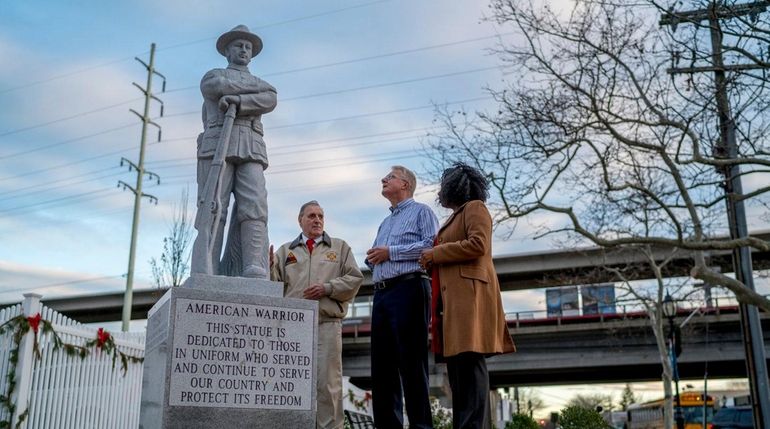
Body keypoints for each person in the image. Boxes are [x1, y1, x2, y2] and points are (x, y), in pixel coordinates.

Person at [418, 163, 515, 429]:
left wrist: (435, 254)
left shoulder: (475, 208)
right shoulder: (456, 216)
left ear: (455, 186)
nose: (441, 190)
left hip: (470, 302)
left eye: (444, 185)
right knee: (459, 375)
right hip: (453, 304)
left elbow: (478, 244)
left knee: (471, 368)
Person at [191, 24, 277, 278]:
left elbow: (271, 97)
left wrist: (239, 101)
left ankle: (253, 264)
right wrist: (252, 95)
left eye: (247, 47)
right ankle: (207, 265)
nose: (243, 50)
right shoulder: (214, 75)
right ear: (227, 52)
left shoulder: (263, 85)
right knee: (214, 206)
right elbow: (215, 87)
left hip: (251, 145)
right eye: (238, 46)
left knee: (255, 206)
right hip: (219, 143)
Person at [272, 201, 363, 429]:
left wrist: (327, 288)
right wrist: (266, 267)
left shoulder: (340, 248)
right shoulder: (285, 252)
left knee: (328, 387)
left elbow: (355, 279)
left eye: (321, 216)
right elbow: (273, 289)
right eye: (311, 215)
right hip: (292, 328)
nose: (317, 220)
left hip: (327, 325)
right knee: (290, 385)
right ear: (300, 220)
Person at [366, 165, 439, 429]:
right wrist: (374, 260)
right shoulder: (385, 222)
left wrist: (390, 253)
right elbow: (382, 256)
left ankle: (421, 426)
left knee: (411, 362)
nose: (383, 180)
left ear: (405, 184)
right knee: (382, 368)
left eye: (390, 177)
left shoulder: (423, 212)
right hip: (382, 293)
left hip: (409, 289)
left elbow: (431, 246)